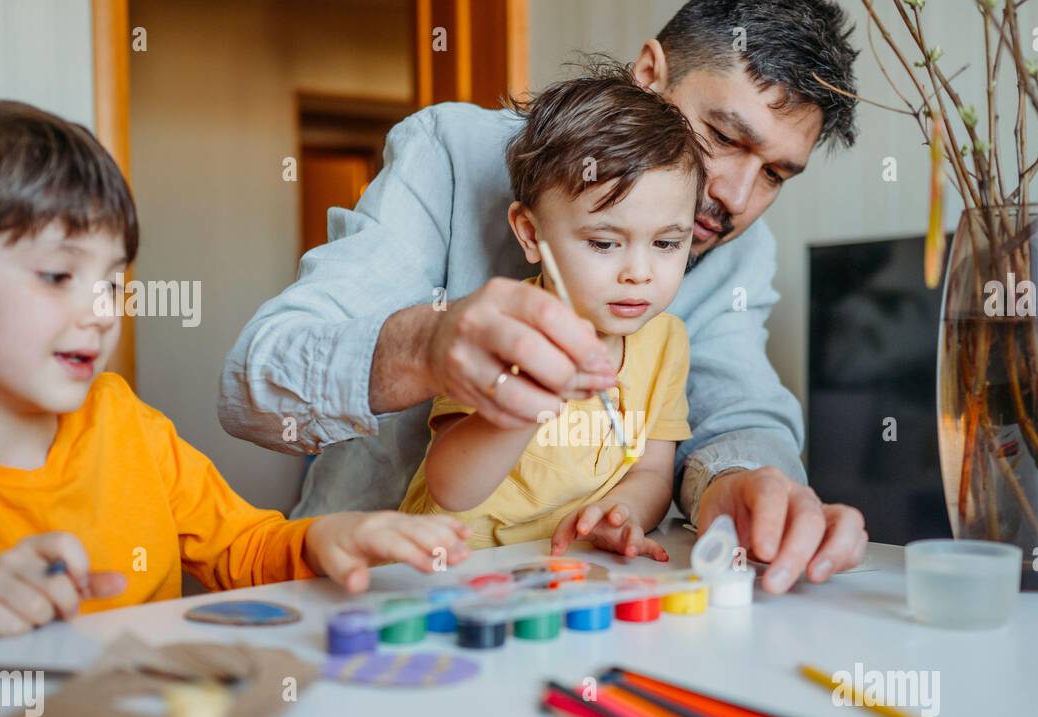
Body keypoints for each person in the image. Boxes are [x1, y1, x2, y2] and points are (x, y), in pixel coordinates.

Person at [220, 0, 868, 593]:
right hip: (359, 589)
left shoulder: (738, 248)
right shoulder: (453, 153)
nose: (735, 196)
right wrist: (427, 346)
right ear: (649, 72)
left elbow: (741, 413)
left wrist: (739, 483)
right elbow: (254, 383)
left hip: (557, 597)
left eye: (775, 174)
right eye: (724, 137)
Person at [0, 101, 469, 635]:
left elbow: (243, 548)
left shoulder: (124, 422)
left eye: (113, 285)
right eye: (57, 275)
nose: (103, 313)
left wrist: (322, 538)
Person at [400, 63, 702, 561]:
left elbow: (650, 472)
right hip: (446, 568)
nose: (640, 272)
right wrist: (531, 398)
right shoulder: (500, 328)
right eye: (605, 243)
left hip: (555, 571)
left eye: (668, 242)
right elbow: (451, 487)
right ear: (530, 233)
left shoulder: (667, 341)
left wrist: (621, 512)